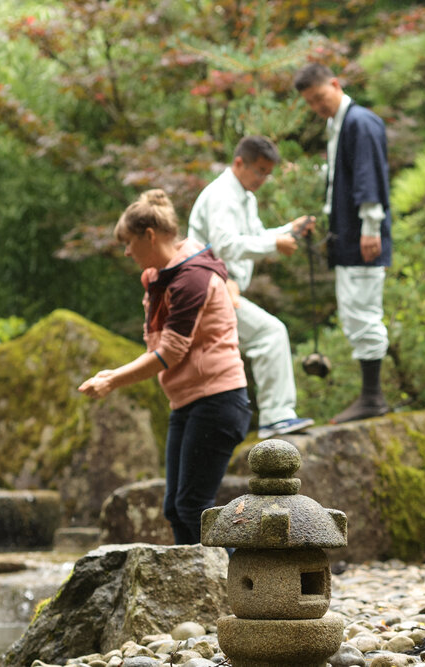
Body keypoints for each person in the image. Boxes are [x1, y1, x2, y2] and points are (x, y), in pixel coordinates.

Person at [79, 189, 251, 544]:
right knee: (176, 508)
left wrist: (112, 379)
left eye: (128, 242)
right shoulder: (166, 277)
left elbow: (169, 353)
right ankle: (200, 591)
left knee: (192, 506)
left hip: (218, 400)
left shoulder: (192, 277)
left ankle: (241, 587)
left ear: (150, 236)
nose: (126, 252)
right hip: (188, 401)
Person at [188, 136, 316, 439]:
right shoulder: (221, 195)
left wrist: (289, 230)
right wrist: (275, 243)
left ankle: (271, 417)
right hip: (208, 289)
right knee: (269, 333)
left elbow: (255, 235)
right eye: (259, 171)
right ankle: (275, 417)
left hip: (223, 289)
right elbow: (227, 245)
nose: (262, 179)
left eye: (267, 173)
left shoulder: (245, 197)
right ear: (239, 163)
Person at [294, 63, 392, 425]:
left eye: (320, 97)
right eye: (311, 102)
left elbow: (369, 176)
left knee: (363, 310)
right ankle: (371, 395)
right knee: (353, 310)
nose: (318, 106)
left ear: (335, 85)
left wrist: (370, 227)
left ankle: (373, 397)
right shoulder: (338, 124)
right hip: (347, 234)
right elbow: (341, 179)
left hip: (363, 235)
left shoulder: (359, 122)